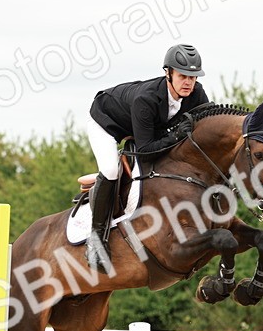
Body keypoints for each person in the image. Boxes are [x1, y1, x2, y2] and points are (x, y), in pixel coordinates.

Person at [84, 43, 211, 269]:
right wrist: (175, 138)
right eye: (183, 76)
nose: (188, 83)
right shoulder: (147, 99)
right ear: (168, 73)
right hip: (106, 122)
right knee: (111, 170)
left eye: (193, 77)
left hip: (145, 128)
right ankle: (96, 239)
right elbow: (144, 151)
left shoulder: (197, 94)